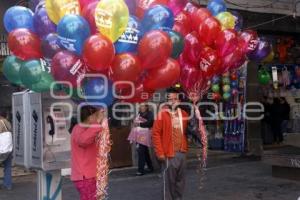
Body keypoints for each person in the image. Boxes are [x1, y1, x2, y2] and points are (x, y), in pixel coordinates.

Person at [152, 87, 189, 200]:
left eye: (175, 99)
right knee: (169, 183)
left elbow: (189, 130)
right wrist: (160, 153)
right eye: (170, 99)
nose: (173, 101)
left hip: (181, 152)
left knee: (180, 181)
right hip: (168, 154)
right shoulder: (162, 114)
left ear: (179, 101)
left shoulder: (184, 114)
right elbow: (155, 134)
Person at [70, 105, 105, 200]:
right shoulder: (79, 128)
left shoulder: (88, 128)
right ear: (90, 117)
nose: (98, 118)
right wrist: (97, 123)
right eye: (96, 115)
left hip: (90, 174)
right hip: (85, 176)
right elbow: (83, 141)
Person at [134, 104, 154, 176]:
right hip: (139, 134)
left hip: (145, 134)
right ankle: (150, 167)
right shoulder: (139, 113)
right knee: (144, 151)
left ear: (146, 107)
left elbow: (150, 123)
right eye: (140, 106)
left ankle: (140, 170)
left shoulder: (150, 113)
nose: (141, 107)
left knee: (141, 151)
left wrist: (139, 124)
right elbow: (136, 122)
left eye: (142, 106)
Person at [0, 112, 12, 190]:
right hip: (8, 148)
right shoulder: (8, 123)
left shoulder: (0, 122)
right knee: (8, 167)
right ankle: (8, 184)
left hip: (1, 149)